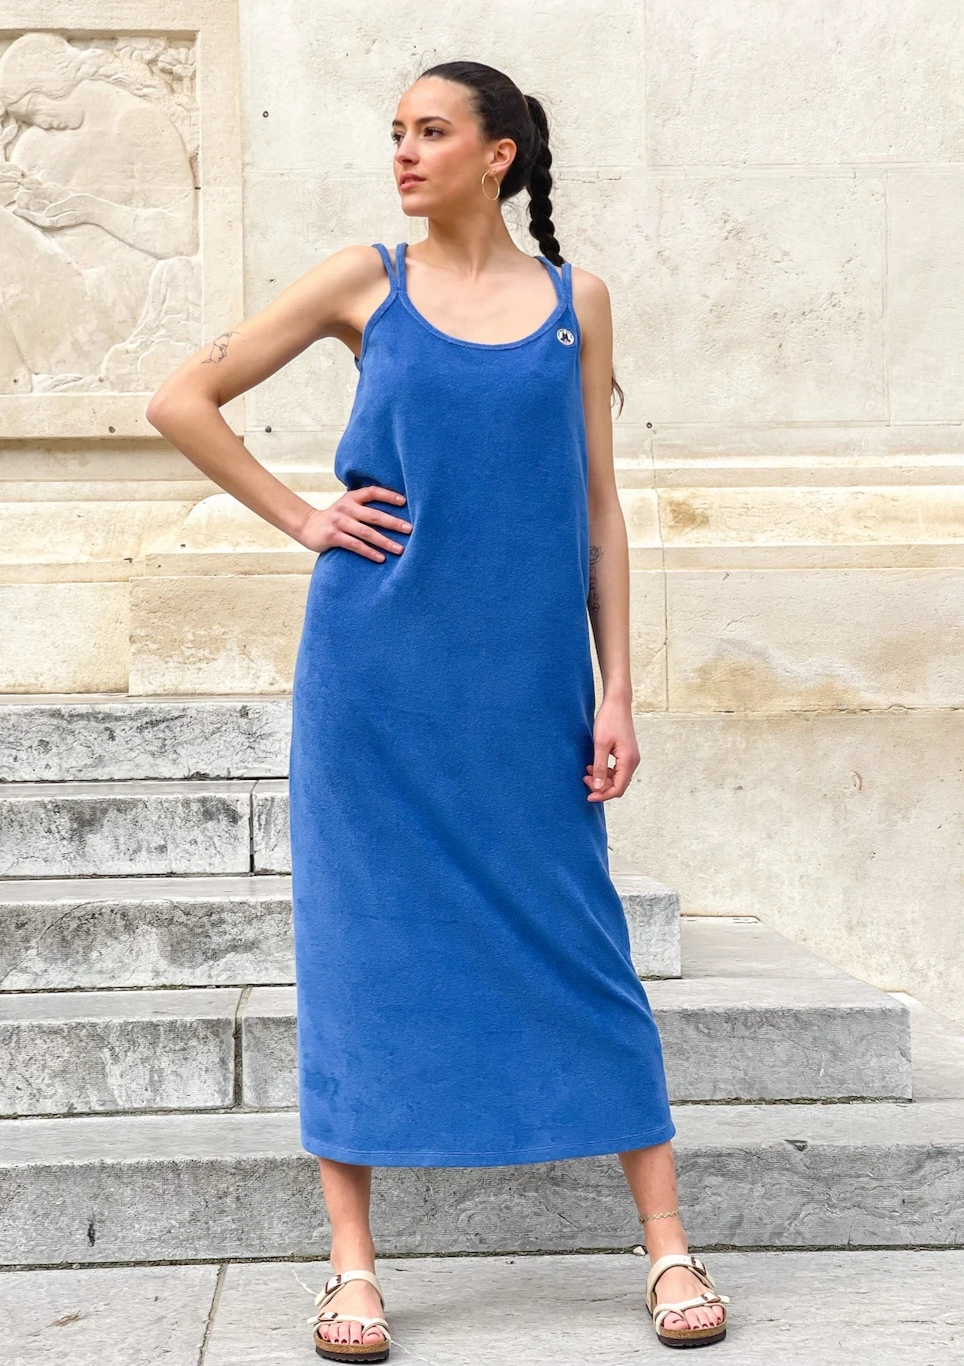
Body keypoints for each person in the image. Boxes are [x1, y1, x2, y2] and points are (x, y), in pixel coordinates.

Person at [147, 58, 729, 1360]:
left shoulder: (576, 302)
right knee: (359, 946)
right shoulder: (364, 282)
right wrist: (303, 516)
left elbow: (598, 510)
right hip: (372, 682)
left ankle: (667, 1245)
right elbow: (180, 398)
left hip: (526, 687)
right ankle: (351, 1269)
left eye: (431, 131)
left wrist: (618, 688)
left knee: (579, 937)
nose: (404, 153)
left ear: (498, 154)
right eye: (395, 133)